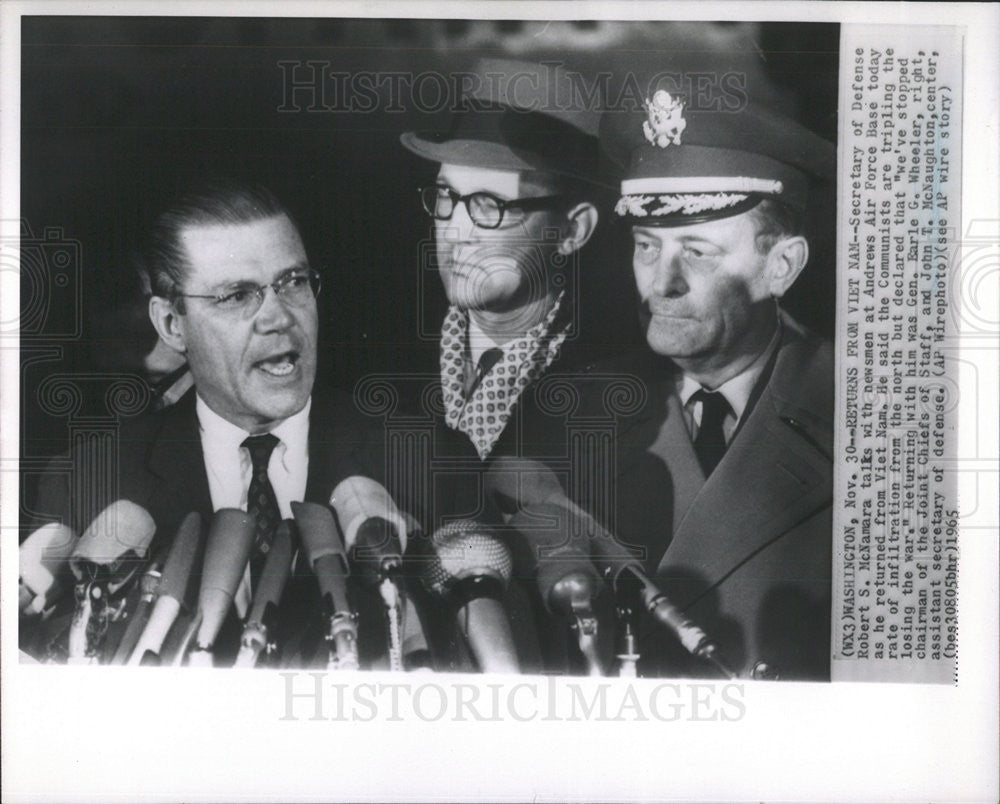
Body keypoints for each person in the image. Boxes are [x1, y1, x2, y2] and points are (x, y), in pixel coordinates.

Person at [24, 180, 387, 666]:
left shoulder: (422, 464)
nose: (279, 317)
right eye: (237, 295)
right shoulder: (85, 482)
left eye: (294, 282)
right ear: (173, 325)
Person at [595, 88, 837, 680]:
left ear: (781, 267)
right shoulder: (581, 412)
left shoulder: (871, 421)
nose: (661, 283)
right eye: (647, 247)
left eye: (697, 253)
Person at [398, 59, 621, 673]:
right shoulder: (377, 356)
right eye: (446, 197)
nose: (456, 232)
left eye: (491, 204)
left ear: (572, 230)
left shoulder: (619, 390)